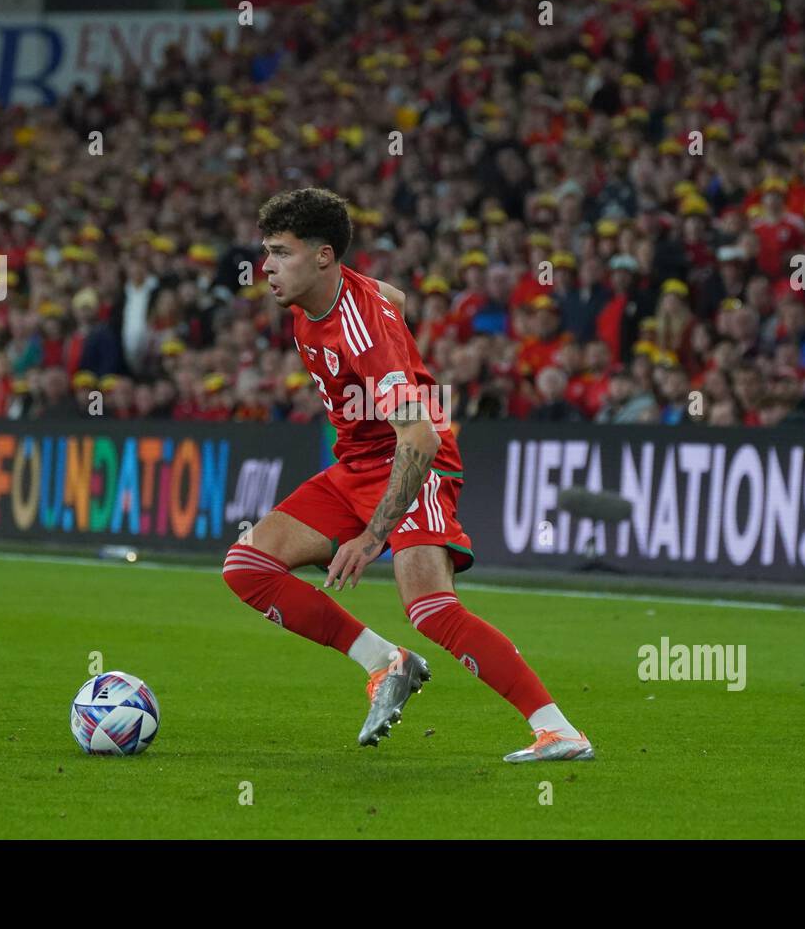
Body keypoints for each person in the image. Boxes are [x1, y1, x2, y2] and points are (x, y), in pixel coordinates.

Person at [223, 188, 592, 762]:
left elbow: (417, 436)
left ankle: (558, 730)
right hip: (357, 465)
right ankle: (383, 662)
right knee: (247, 567)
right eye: (266, 251)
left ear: (323, 257)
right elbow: (391, 295)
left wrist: (372, 538)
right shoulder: (315, 298)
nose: (264, 266)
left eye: (279, 252)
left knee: (429, 607)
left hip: (413, 461)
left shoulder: (361, 331)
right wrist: (383, 307)